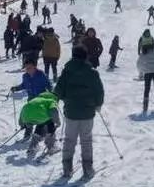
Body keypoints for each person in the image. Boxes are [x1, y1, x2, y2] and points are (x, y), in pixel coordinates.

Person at [54, 44, 104, 179]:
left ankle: (67, 168)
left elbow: (58, 90)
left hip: (71, 112)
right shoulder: (92, 72)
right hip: (88, 112)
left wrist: (62, 99)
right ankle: (87, 168)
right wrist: (98, 104)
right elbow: (99, 90)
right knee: (86, 140)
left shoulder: (67, 71)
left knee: (69, 140)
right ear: (85, 56)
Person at [11, 59, 53, 139]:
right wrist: (16, 88)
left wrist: (51, 94)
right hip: (31, 99)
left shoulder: (40, 74)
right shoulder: (25, 76)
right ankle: (28, 133)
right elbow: (24, 85)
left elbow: (48, 84)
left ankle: (43, 132)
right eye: (26, 68)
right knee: (28, 115)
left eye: (29, 68)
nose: (28, 70)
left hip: (41, 99)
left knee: (41, 115)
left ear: (34, 67)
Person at [19, 91, 61, 158]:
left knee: (41, 122)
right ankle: (51, 146)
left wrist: (22, 123)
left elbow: (24, 109)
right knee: (49, 121)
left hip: (26, 116)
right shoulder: (51, 100)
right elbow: (53, 111)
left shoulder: (36, 99)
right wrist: (57, 122)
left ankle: (33, 146)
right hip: (40, 116)